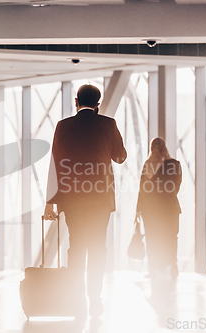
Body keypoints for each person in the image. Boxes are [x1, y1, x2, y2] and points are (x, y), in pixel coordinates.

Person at [43, 84, 127, 318]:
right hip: (100, 199)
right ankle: (95, 298)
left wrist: (50, 201)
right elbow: (120, 157)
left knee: (76, 247)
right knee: (98, 248)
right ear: (98, 106)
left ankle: (77, 298)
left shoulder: (63, 126)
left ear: (76, 102)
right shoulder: (108, 124)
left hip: (72, 199)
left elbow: (55, 165)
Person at [136, 137, 182, 280]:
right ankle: (173, 266)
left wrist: (138, 210)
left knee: (152, 238)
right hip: (170, 208)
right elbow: (176, 185)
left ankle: (153, 269)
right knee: (171, 237)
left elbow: (142, 190)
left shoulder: (148, 165)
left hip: (151, 210)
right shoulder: (175, 164)